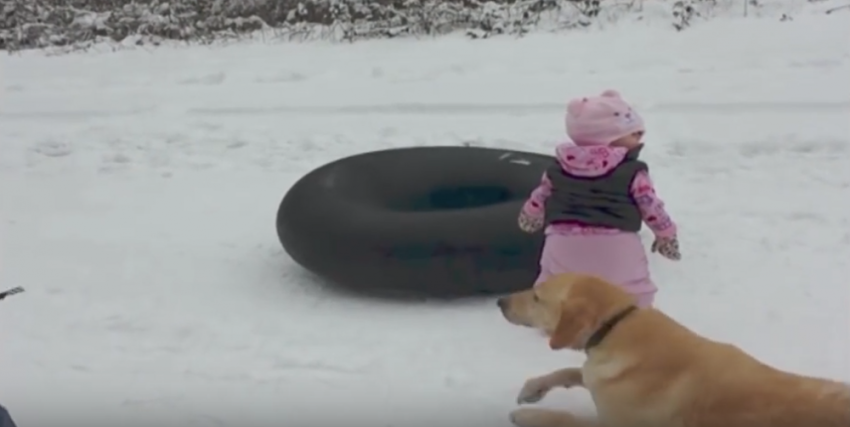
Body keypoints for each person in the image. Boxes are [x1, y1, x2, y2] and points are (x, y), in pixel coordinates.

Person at [517, 89, 680, 308]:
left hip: (563, 241)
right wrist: (666, 234)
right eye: (635, 133)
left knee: (553, 281)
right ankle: (634, 318)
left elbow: (540, 195)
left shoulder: (558, 168)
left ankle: (551, 313)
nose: (641, 136)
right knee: (632, 286)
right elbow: (650, 206)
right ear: (608, 138)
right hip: (616, 243)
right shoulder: (632, 171)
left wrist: (530, 216)